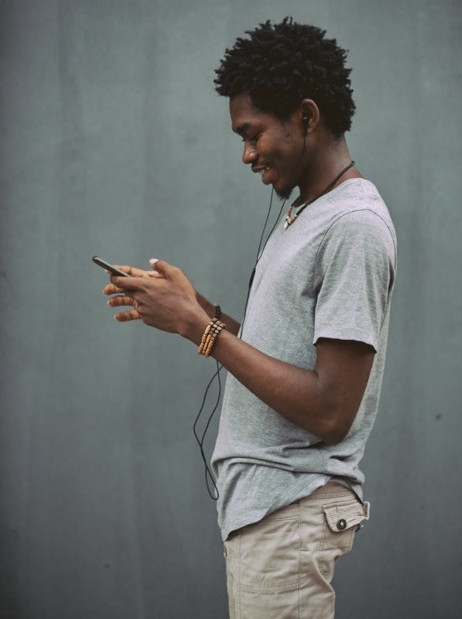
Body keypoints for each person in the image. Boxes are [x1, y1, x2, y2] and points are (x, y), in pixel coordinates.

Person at [102, 17, 397, 619]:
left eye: (253, 132)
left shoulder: (354, 227)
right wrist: (196, 308)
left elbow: (331, 410)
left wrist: (198, 329)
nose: (246, 154)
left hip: (291, 510)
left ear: (308, 116)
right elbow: (285, 361)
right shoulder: (307, 215)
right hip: (266, 512)